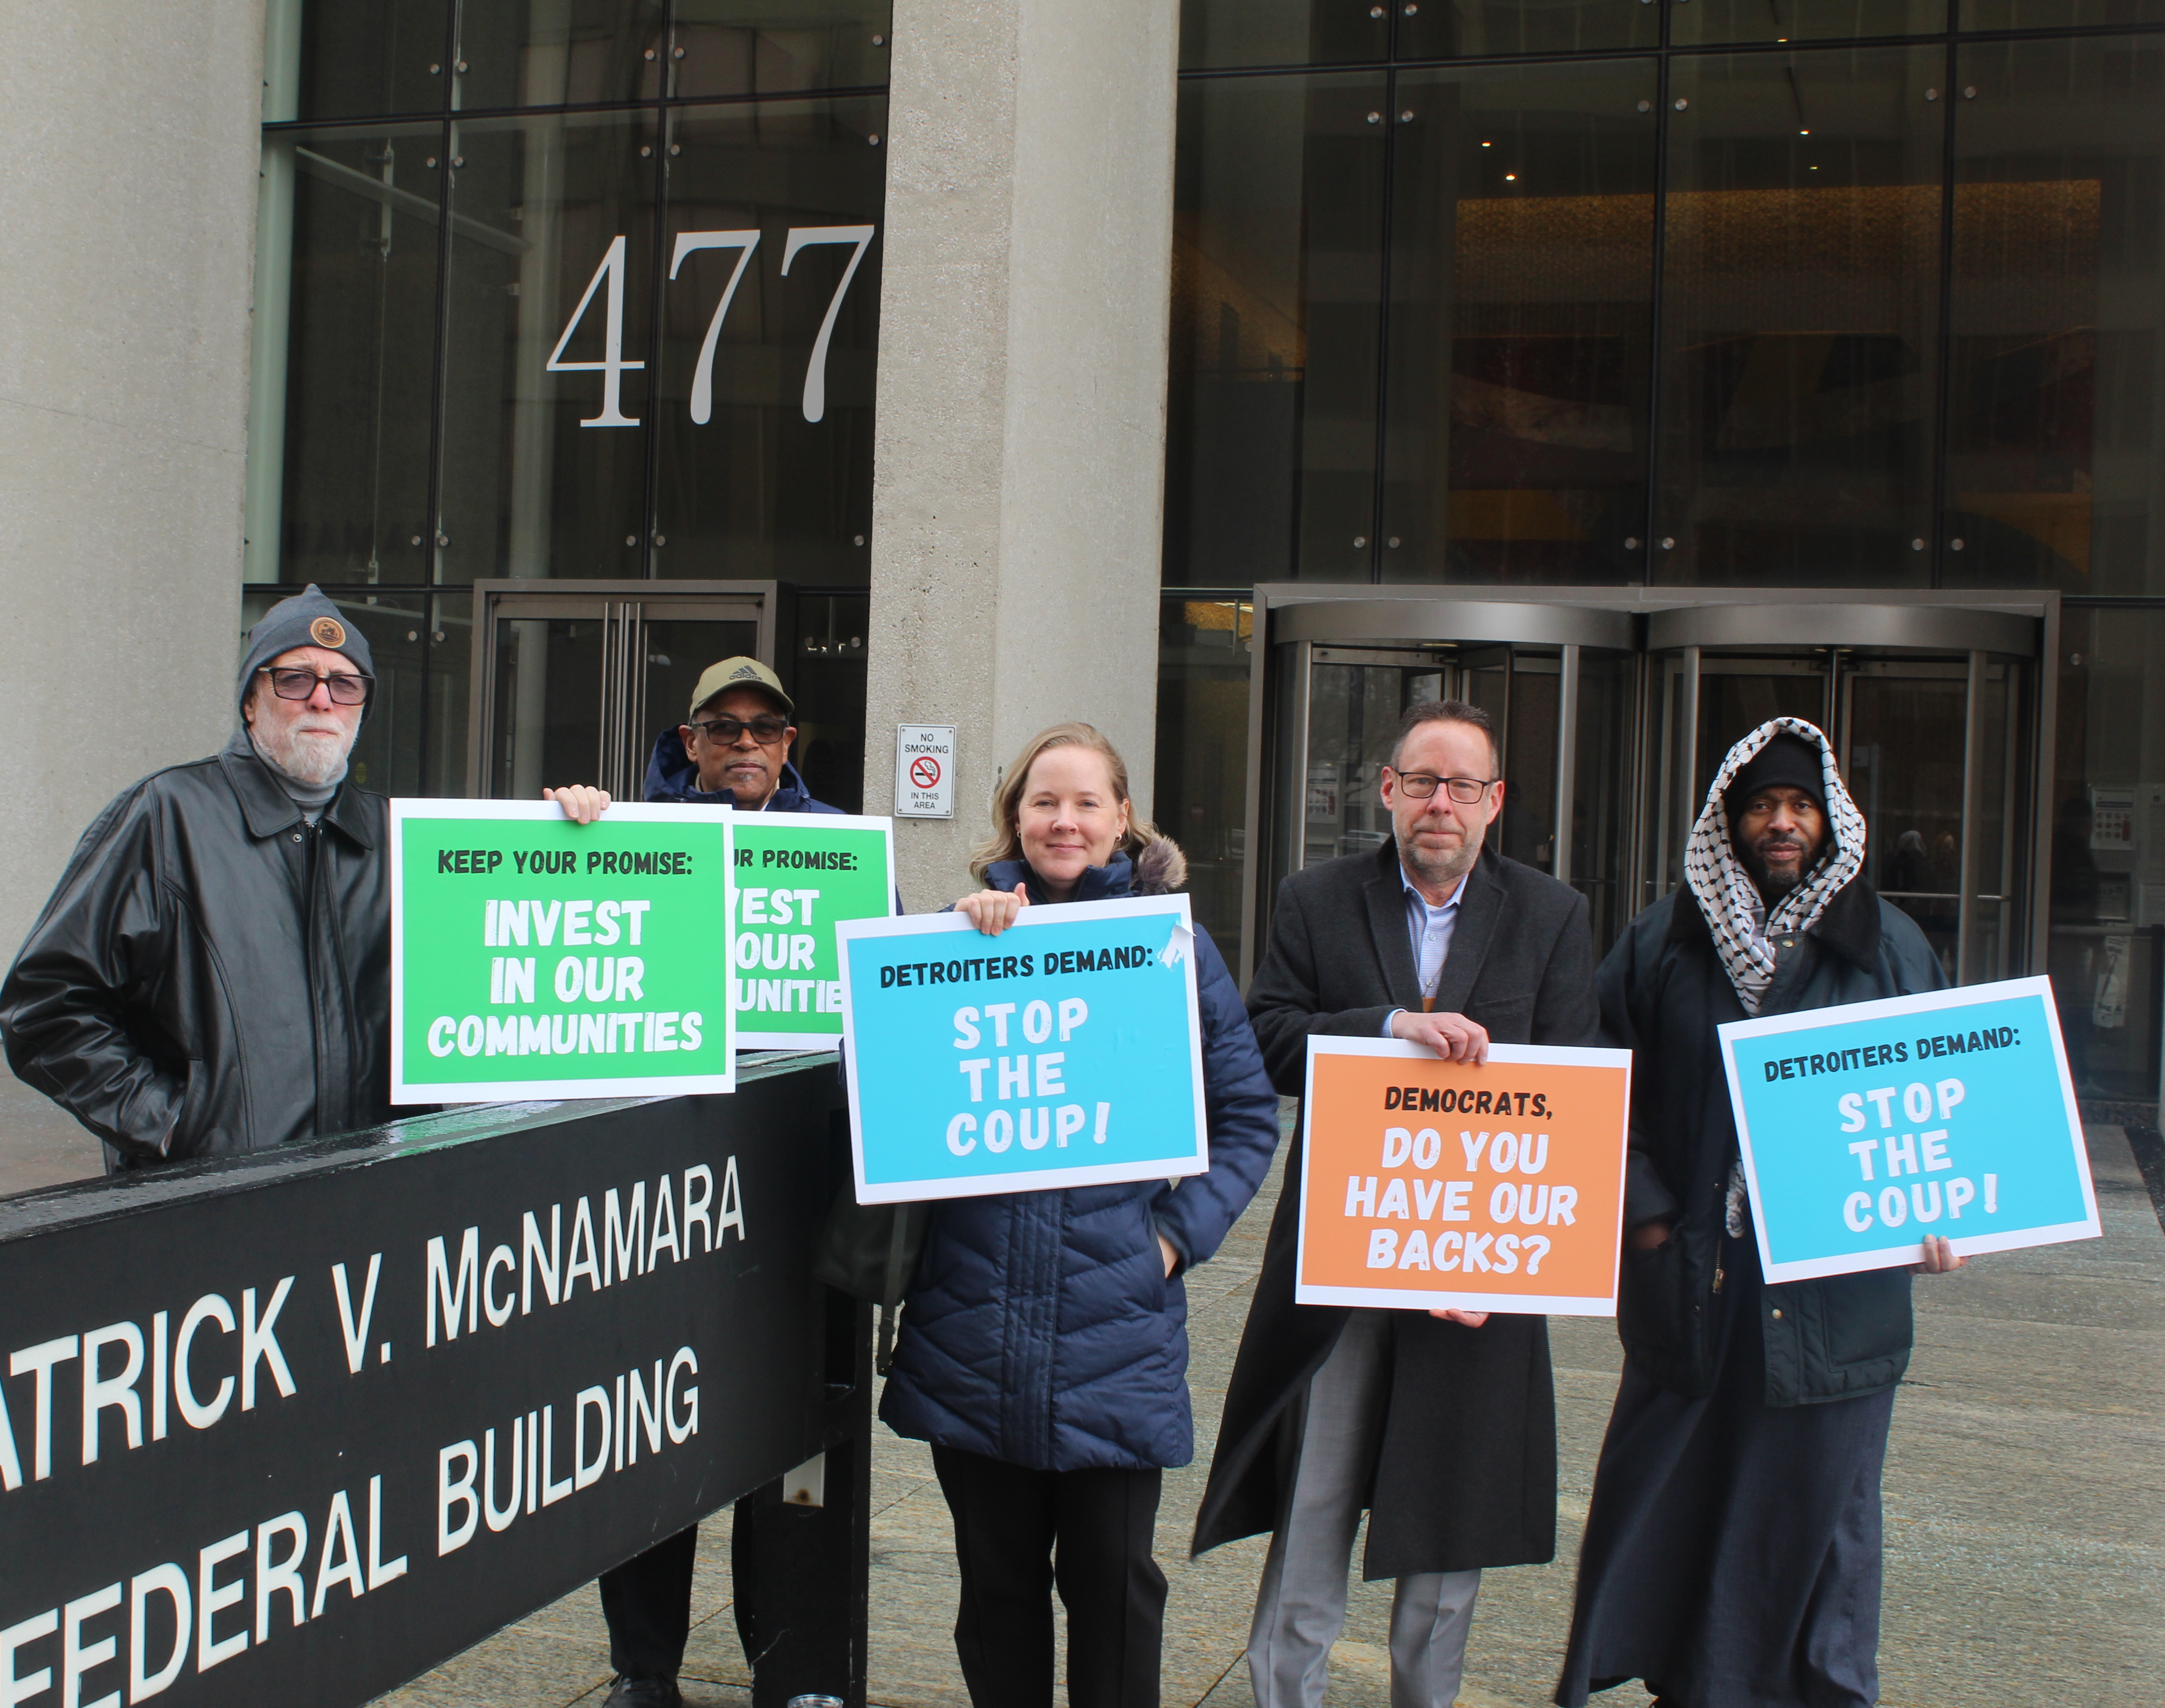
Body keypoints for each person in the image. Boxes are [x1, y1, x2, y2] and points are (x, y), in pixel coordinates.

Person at [1192, 699, 1601, 1708]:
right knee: (1314, 1507)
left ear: (1495, 803)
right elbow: (1265, 1038)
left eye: (1464, 786)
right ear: (1388, 791)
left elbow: (1579, 1094)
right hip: (1341, 1268)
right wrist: (1385, 1030)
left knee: (1446, 1530)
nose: (1441, 803)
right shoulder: (1317, 899)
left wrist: (1508, 1267)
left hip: (1474, 1281)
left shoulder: (1551, 917)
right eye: (1422, 781)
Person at [1555, 719, 1966, 1708]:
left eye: (1800, 806)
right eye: (1761, 807)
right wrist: (1649, 1223)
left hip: (1835, 1298)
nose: (1781, 824)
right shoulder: (1663, 942)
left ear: (1829, 821)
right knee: (1680, 1503)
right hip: (1698, 1288)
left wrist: (1942, 1212)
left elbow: (1943, 1099)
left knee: (1819, 1522)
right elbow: (1601, 1085)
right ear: (1728, 822)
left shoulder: (1890, 946)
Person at [878, 722, 1280, 1708]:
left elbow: (1246, 1118)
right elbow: (889, 1096)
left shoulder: (1170, 949)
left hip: (1116, 1333)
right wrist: (954, 937)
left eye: (1085, 801)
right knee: (997, 1591)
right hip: (973, 1330)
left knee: (1113, 1591)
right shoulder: (951, 938)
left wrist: (1177, 1241)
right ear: (1014, 815)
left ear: (1122, 818)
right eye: (1044, 801)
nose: (1065, 820)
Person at [544, 655, 841, 1708]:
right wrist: (569, 829)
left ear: (791, 743)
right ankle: (644, 1671)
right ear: (690, 741)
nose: (748, 744)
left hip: (791, 1194)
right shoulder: (624, 839)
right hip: (660, 1196)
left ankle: (784, 1666)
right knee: (647, 1443)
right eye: (726, 728)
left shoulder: (839, 856)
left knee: (782, 1450)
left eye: (768, 727)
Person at [0, 585, 389, 1163]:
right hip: (212, 1207)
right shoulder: (167, 814)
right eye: (295, 679)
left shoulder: (394, 836)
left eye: (345, 683)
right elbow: (46, 1007)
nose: (322, 700)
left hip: (368, 1199)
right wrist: (174, 1126)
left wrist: (569, 835)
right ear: (252, 700)